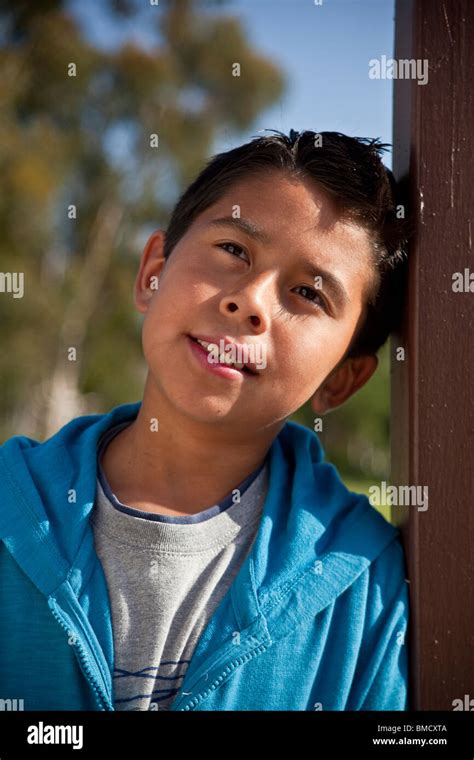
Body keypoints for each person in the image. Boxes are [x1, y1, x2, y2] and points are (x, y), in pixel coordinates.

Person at [0, 129, 412, 711]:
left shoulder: (367, 592)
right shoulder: (7, 506)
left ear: (342, 378)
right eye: (235, 251)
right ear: (152, 274)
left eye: (308, 292)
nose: (250, 301)